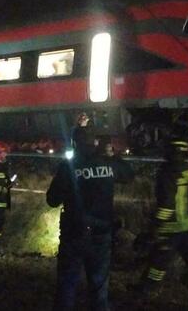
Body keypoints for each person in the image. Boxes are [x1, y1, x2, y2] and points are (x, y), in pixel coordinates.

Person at [47, 128, 134, 311]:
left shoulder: (68, 167)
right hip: (101, 233)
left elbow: (52, 200)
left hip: (74, 233)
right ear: (94, 143)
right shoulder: (107, 164)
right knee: (99, 286)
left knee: (67, 284)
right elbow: (129, 175)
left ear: (74, 143)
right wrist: (113, 156)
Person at [132, 133, 188, 309]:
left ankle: (141, 295)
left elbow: (167, 205)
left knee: (158, 263)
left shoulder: (167, 172)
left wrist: (155, 227)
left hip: (172, 229)